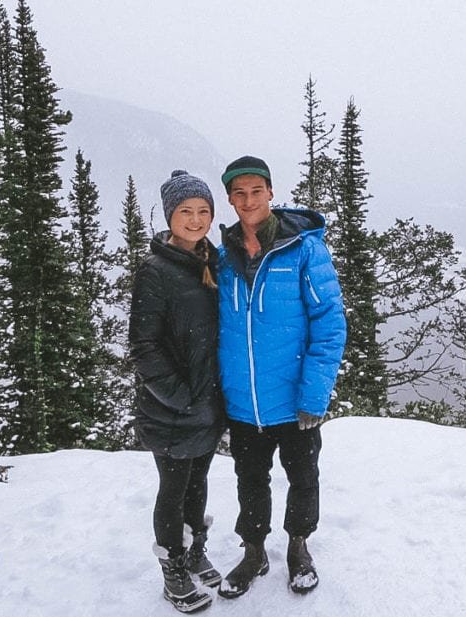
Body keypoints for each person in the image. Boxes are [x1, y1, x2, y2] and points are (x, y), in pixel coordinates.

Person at [215, 155, 346, 599]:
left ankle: (298, 546)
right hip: (243, 401)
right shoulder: (224, 257)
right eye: (239, 193)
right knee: (249, 481)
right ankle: (254, 552)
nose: (248, 200)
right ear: (231, 200)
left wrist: (315, 394)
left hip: (295, 400)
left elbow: (330, 325)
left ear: (270, 192)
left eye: (256, 190)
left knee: (303, 476)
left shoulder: (304, 249)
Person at [130, 170, 225, 614]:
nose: (195, 219)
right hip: (173, 406)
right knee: (174, 487)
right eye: (186, 211)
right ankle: (172, 569)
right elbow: (144, 346)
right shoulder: (155, 271)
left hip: (208, 402)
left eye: (203, 211)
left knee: (198, 481)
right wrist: (180, 395)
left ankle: (193, 549)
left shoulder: (212, 262)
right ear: (170, 216)